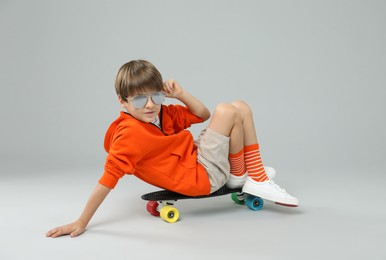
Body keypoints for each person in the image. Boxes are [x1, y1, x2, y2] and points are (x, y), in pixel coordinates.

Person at [46, 59, 299, 238]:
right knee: (228, 111)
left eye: (155, 96)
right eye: (138, 99)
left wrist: (179, 95)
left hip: (197, 158)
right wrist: (81, 221)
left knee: (240, 106)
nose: (149, 105)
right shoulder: (129, 137)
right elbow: (106, 182)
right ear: (122, 102)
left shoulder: (162, 113)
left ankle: (247, 174)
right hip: (201, 177)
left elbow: (202, 114)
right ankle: (250, 176)